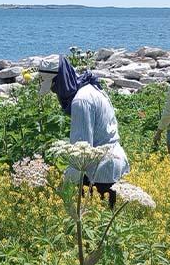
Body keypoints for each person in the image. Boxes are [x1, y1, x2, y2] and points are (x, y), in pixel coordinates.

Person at [38, 55, 130, 208]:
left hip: (99, 172)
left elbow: (82, 149)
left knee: (95, 223)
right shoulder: (89, 87)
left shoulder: (80, 101)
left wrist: (66, 182)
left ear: (61, 81)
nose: (54, 93)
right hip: (111, 165)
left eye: (54, 87)